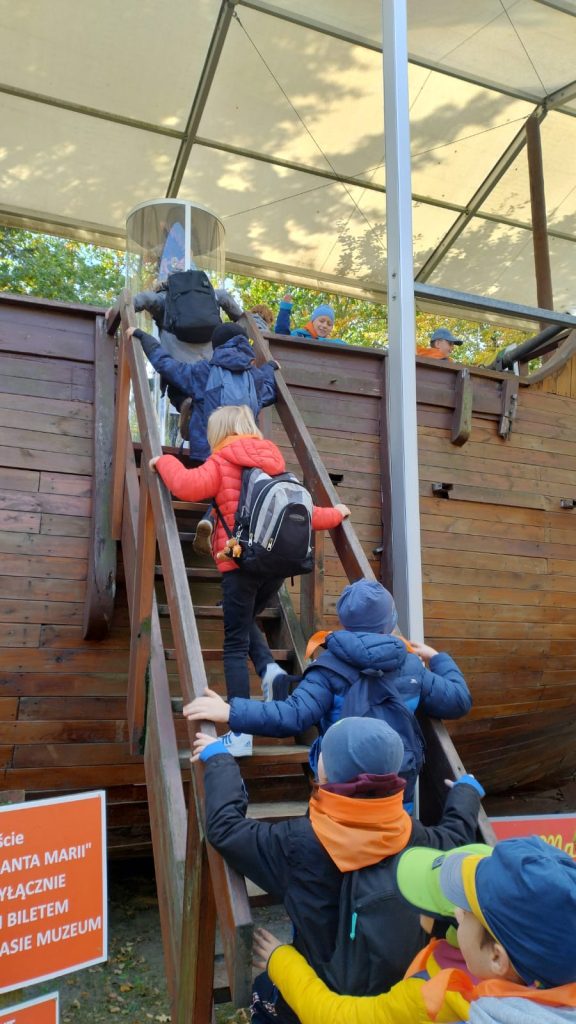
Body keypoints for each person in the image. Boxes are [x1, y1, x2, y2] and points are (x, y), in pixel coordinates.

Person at [193, 716, 484, 1023]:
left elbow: (226, 829)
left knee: (266, 991)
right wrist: (465, 792)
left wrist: (221, 761)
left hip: (313, 995)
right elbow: (453, 839)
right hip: (394, 992)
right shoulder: (413, 835)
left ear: (325, 772)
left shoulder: (297, 843)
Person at [149, 404, 350, 756]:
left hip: (238, 563)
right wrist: (337, 514)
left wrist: (162, 461)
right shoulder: (273, 463)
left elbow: (187, 486)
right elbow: (305, 512)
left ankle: (240, 735)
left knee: (234, 644)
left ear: (218, 431)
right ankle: (270, 671)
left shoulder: (221, 461)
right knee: (243, 620)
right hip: (274, 566)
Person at [184, 579, 471, 804]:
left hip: (340, 788)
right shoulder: (411, 666)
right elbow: (458, 700)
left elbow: (292, 716)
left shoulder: (328, 668)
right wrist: (438, 658)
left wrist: (231, 711)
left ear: (345, 621)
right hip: (397, 788)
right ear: (389, 622)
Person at [254, 835, 576, 1023]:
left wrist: (281, 960)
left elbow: (337, 1016)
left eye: (464, 911)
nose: (456, 912)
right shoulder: (555, 964)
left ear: (497, 957)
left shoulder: (435, 1001)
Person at [132, 275, 243, 410]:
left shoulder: (164, 299)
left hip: (180, 366)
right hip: (209, 364)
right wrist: (240, 318)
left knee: (175, 389)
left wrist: (122, 307)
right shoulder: (209, 296)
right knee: (211, 394)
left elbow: (146, 298)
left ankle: (184, 403)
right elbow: (224, 295)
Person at [275, 294, 347, 345]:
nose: (325, 325)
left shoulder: (332, 344)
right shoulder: (299, 335)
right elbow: (281, 335)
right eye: (321, 321)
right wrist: (285, 309)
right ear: (313, 321)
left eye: (329, 324)